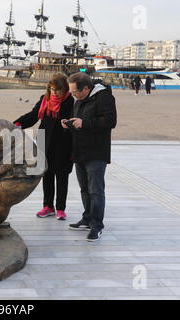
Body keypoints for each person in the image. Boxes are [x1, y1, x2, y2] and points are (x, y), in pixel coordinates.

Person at [61, 72, 117, 242]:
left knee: (96, 191)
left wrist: (84, 123)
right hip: (80, 151)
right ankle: (87, 218)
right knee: (85, 189)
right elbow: (79, 124)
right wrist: (69, 124)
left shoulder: (103, 97)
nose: (72, 95)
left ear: (86, 88)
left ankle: (97, 226)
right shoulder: (79, 100)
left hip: (97, 152)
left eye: (74, 91)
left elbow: (110, 121)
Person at [14, 73, 75, 221]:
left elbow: (73, 123)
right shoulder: (44, 100)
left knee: (62, 177)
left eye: (57, 89)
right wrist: (17, 124)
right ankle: (48, 206)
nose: (54, 92)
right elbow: (33, 115)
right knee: (47, 175)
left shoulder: (70, 102)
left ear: (64, 89)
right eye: (52, 89)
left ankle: (60, 208)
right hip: (44, 140)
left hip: (63, 142)